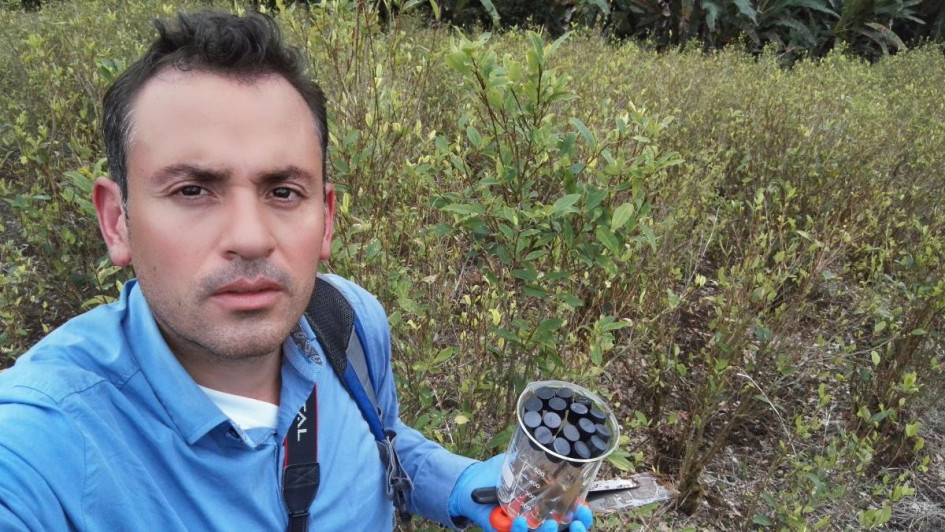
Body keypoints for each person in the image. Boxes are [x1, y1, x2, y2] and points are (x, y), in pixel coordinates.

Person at [0, 10, 594, 532]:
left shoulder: (347, 322)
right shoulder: (41, 443)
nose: (251, 237)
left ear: (327, 219)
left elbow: (381, 442)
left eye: (283, 191)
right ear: (117, 221)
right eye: (192, 190)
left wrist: (462, 486)